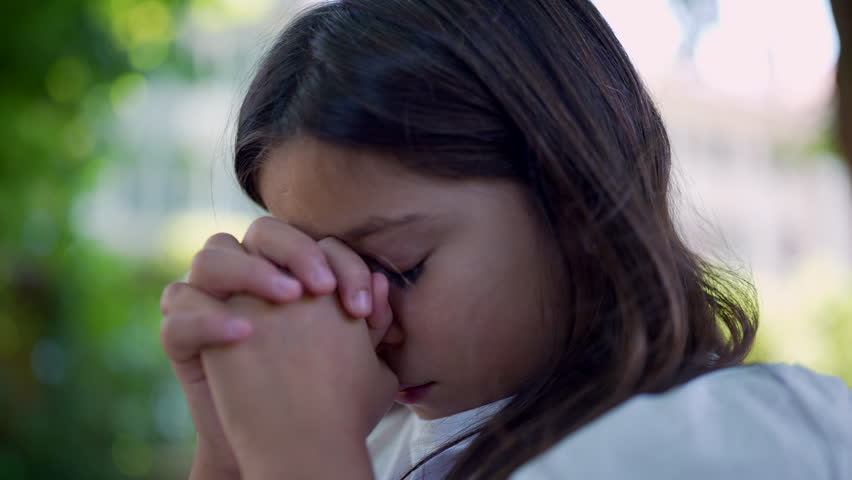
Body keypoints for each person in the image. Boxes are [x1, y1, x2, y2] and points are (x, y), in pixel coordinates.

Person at [158, 0, 852, 479]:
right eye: (321, 271)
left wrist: (301, 456)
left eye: (399, 268)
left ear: (572, 201)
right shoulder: (374, 445)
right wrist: (230, 452)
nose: (360, 319)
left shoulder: (735, 438)